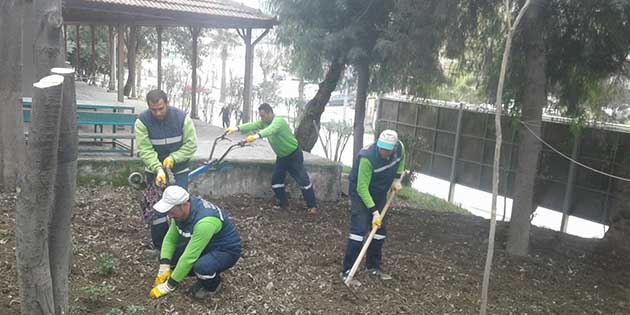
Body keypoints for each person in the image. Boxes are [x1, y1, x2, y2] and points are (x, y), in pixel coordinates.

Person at [148, 186, 241, 299]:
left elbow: (189, 257)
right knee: (170, 257)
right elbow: (170, 239)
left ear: (184, 205)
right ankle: (193, 273)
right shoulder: (180, 213)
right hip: (205, 244)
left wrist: (169, 286)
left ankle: (212, 286)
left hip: (225, 250)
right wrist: (164, 266)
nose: (169, 215)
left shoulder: (205, 222)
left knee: (203, 267)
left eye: (171, 211)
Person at [225, 103, 318, 214]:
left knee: (303, 180)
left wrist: (254, 137)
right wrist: (235, 128)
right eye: (260, 116)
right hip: (281, 157)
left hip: (294, 155)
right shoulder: (264, 122)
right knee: (276, 181)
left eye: (263, 116)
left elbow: (270, 130)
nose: (262, 118)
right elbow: (252, 125)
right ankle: (283, 203)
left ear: (270, 113)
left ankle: (312, 206)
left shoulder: (278, 121)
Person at [135, 89, 198, 251]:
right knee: (156, 207)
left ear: (167, 103)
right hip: (154, 171)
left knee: (180, 205)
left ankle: (183, 245)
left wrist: (174, 158)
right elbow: (145, 149)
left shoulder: (182, 118)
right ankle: (159, 246)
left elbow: (191, 145)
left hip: (179, 168)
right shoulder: (142, 122)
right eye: (153, 109)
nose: (157, 113)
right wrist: (158, 169)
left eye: (161, 108)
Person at [340, 129, 405, 283]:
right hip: (360, 192)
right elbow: (362, 188)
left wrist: (396, 179)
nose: (383, 152)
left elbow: (402, 160)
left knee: (380, 231)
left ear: (393, 148)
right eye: (381, 148)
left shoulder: (399, 147)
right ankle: (347, 270)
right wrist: (375, 212)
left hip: (380, 191)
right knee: (358, 230)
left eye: (387, 150)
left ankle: (373, 267)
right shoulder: (367, 158)